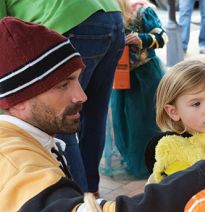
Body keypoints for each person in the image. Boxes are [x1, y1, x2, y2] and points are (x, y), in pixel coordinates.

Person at [0, 17, 205, 212]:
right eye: (63, 85)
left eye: (78, 80)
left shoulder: (31, 138)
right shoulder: (12, 158)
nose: (82, 95)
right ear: (19, 100)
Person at [0, 0, 125, 193]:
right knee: (92, 117)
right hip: (112, 14)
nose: (81, 96)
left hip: (71, 20)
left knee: (58, 119)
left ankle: (76, 203)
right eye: (64, 84)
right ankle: (90, 194)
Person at [109, 0, 167, 179]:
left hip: (144, 76)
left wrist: (142, 38)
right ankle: (130, 159)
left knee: (143, 121)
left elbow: (162, 38)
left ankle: (147, 161)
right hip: (118, 76)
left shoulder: (143, 10)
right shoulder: (106, 8)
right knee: (121, 120)